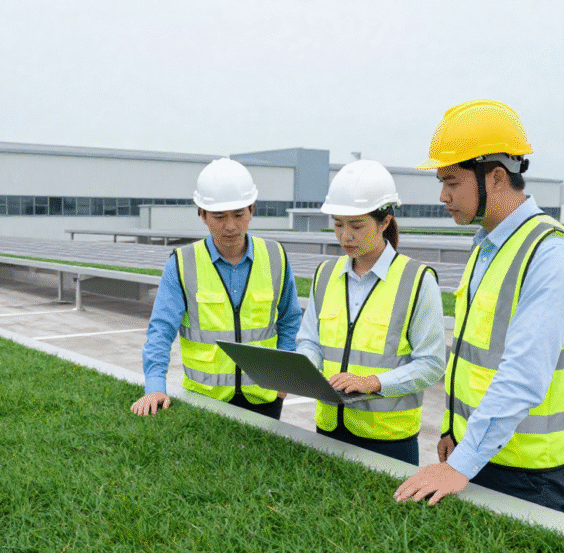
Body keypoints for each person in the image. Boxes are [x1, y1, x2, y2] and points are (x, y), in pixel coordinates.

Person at [394, 100, 564, 513]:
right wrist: (456, 433)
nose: (442, 195)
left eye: (451, 181)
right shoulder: (488, 246)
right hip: (482, 456)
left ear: (497, 177)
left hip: (531, 474)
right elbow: (475, 358)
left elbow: (523, 375)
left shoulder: (550, 255)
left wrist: (463, 462)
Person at [295, 160, 446, 465]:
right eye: (338, 224)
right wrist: (308, 374)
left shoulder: (417, 280)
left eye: (357, 225)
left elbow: (431, 364)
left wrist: (373, 383)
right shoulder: (324, 274)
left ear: (385, 222)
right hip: (328, 429)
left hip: (388, 442)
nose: (345, 236)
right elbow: (309, 340)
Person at [131, 158, 302, 419]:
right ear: (202, 214)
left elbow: (290, 318)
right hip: (204, 400)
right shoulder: (182, 263)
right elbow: (161, 330)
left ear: (252, 209)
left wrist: (284, 377)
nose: (230, 226)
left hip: (265, 400)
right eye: (219, 217)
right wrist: (155, 387)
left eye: (239, 214)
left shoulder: (275, 256)